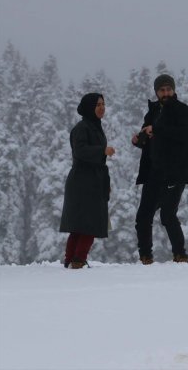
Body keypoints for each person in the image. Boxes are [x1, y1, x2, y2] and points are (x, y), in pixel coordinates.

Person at [132, 74, 188, 264]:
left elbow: (183, 135)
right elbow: (148, 136)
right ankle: (145, 257)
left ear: (174, 90)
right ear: (156, 92)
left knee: (168, 215)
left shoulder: (183, 111)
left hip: (175, 173)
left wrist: (156, 130)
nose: (166, 93)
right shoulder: (153, 111)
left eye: (169, 89)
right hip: (154, 172)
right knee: (143, 217)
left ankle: (180, 255)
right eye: (162, 90)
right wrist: (139, 139)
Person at [60, 93, 115, 269]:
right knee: (87, 225)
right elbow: (80, 150)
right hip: (83, 182)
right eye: (98, 104)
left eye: (103, 104)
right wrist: (102, 151)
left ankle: (72, 260)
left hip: (93, 180)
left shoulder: (94, 126)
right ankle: (77, 260)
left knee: (81, 225)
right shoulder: (82, 128)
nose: (102, 107)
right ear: (89, 107)